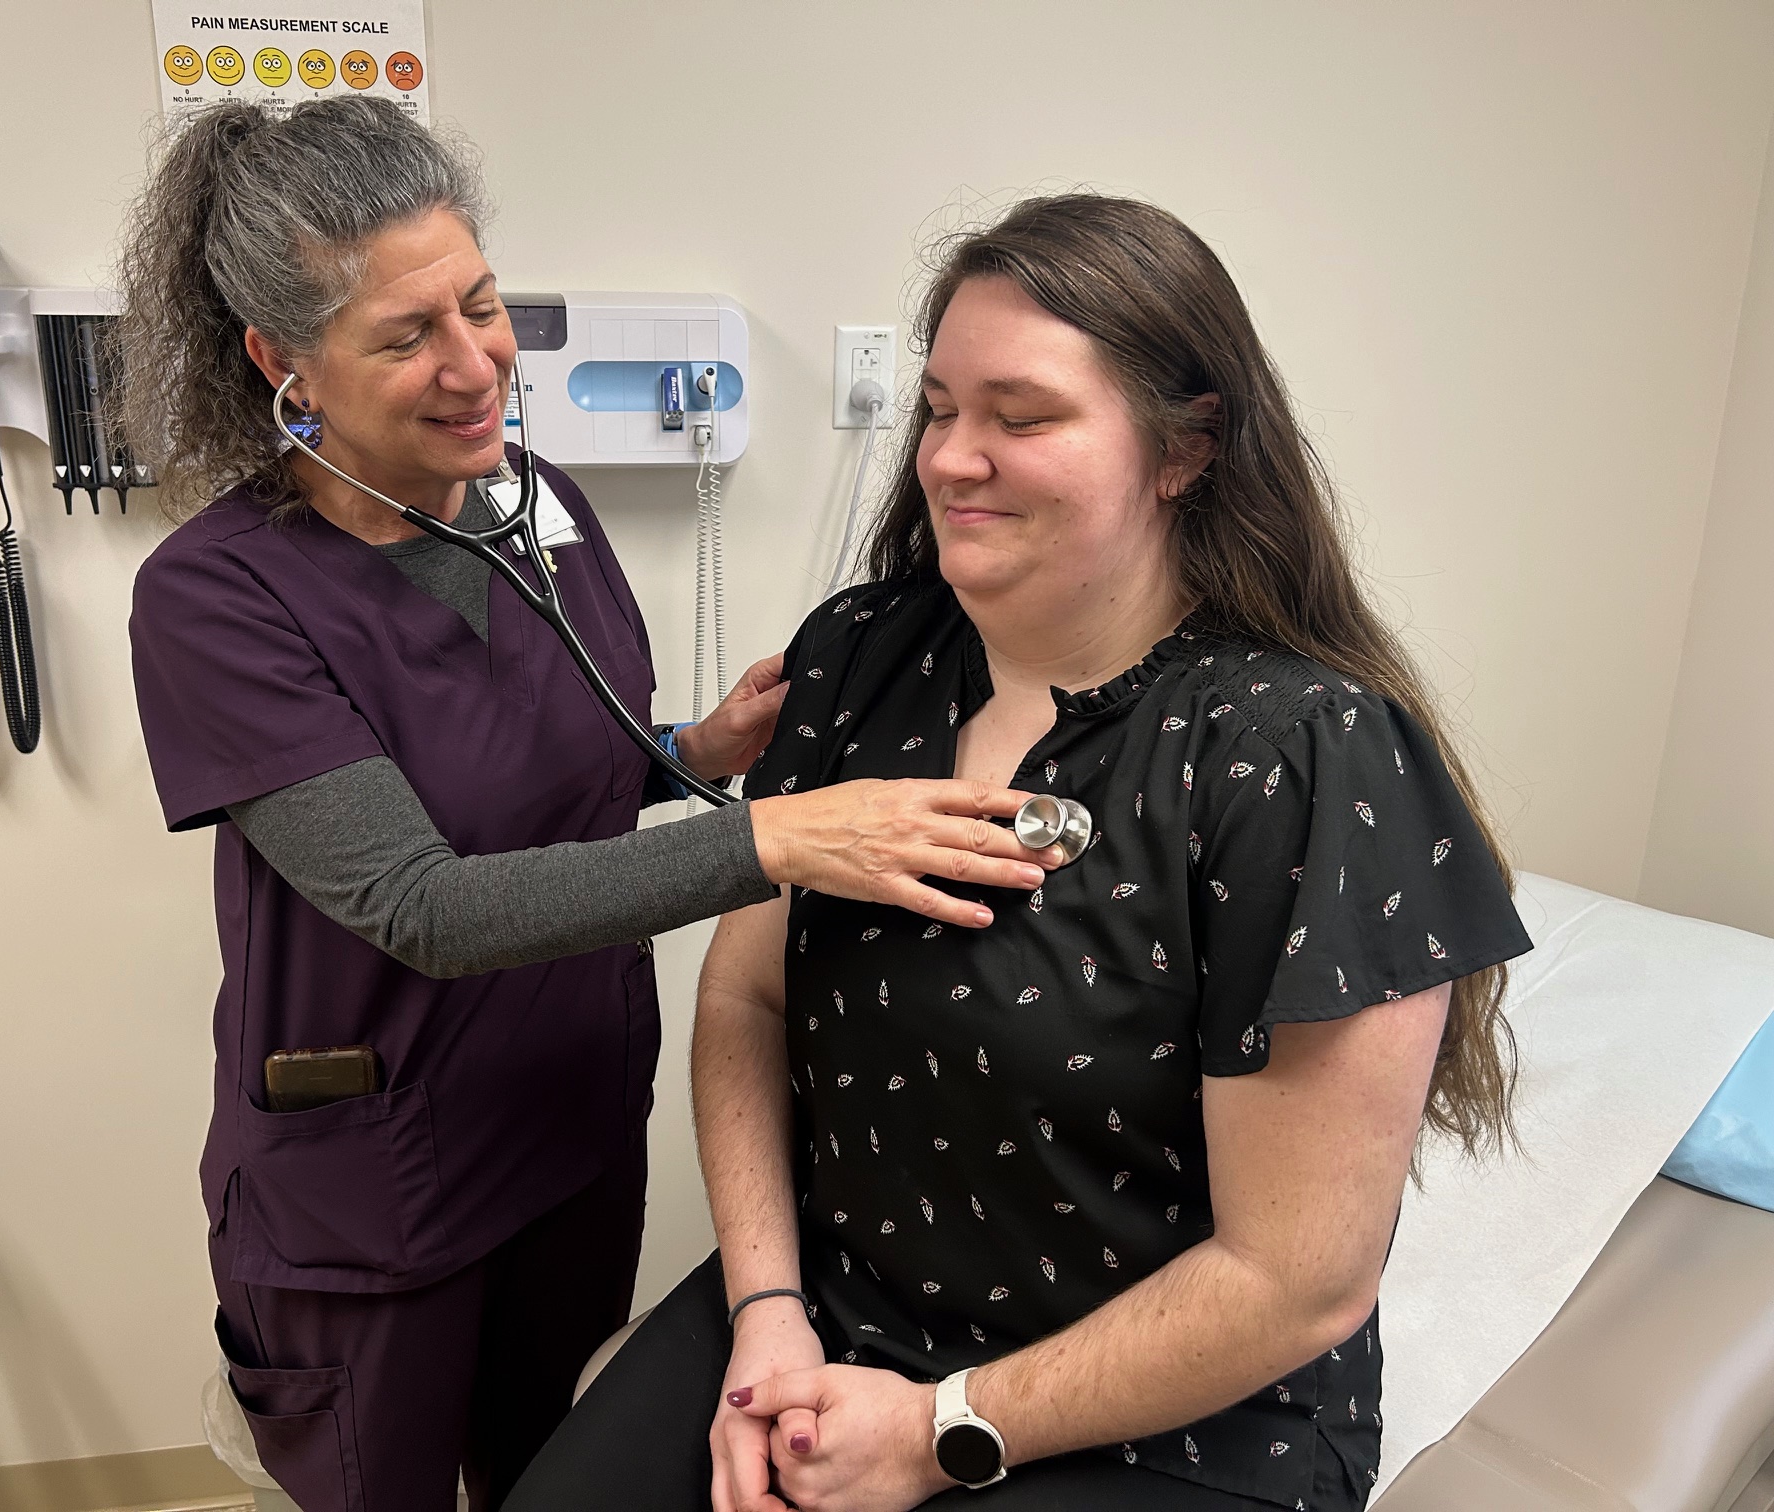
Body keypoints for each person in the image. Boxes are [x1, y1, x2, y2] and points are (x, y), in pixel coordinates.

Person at [506, 194, 1534, 1512]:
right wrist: (766, 1312)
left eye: (1022, 416)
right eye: (937, 409)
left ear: (1185, 451)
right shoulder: (863, 660)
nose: (949, 458)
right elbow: (746, 993)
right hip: (831, 1314)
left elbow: (1300, 1279)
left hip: (1172, 1417)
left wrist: (941, 1429)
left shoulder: (1299, 757)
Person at [113, 98, 1058, 1512]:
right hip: (380, 1184)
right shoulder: (216, 596)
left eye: (480, 304)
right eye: (403, 336)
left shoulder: (528, 503)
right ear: (280, 362)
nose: (470, 362)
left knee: (545, 1478)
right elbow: (420, 902)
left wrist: (698, 750)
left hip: (566, 1129)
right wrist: (781, 839)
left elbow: (545, 768)